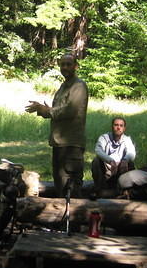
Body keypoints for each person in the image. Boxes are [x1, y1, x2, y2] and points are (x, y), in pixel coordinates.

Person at [25, 53, 89, 198]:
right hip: (59, 143)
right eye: (62, 64)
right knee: (60, 184)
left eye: (68, 64)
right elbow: (58, 110)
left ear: (75, 66)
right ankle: (62, 217)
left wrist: (47, 111)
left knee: (70, 187)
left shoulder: (79, 86)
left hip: (71, 145)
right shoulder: (63, 86)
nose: (65, 67)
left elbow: (70, 110)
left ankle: (73, 218)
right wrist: (43, 110)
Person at [90, 117, 137, 194]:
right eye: (116, 125)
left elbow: (132, 153)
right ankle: (99, 190)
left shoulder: (127, 139)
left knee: (130, 163)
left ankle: (126, 190)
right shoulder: (104, 138)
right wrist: (110, 161)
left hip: (121, 169)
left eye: (121, 126)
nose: (118, 128)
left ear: (124, 128)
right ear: (112, 126)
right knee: (96, 161)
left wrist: (125, 160)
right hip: (107, 170)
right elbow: (98, 151)